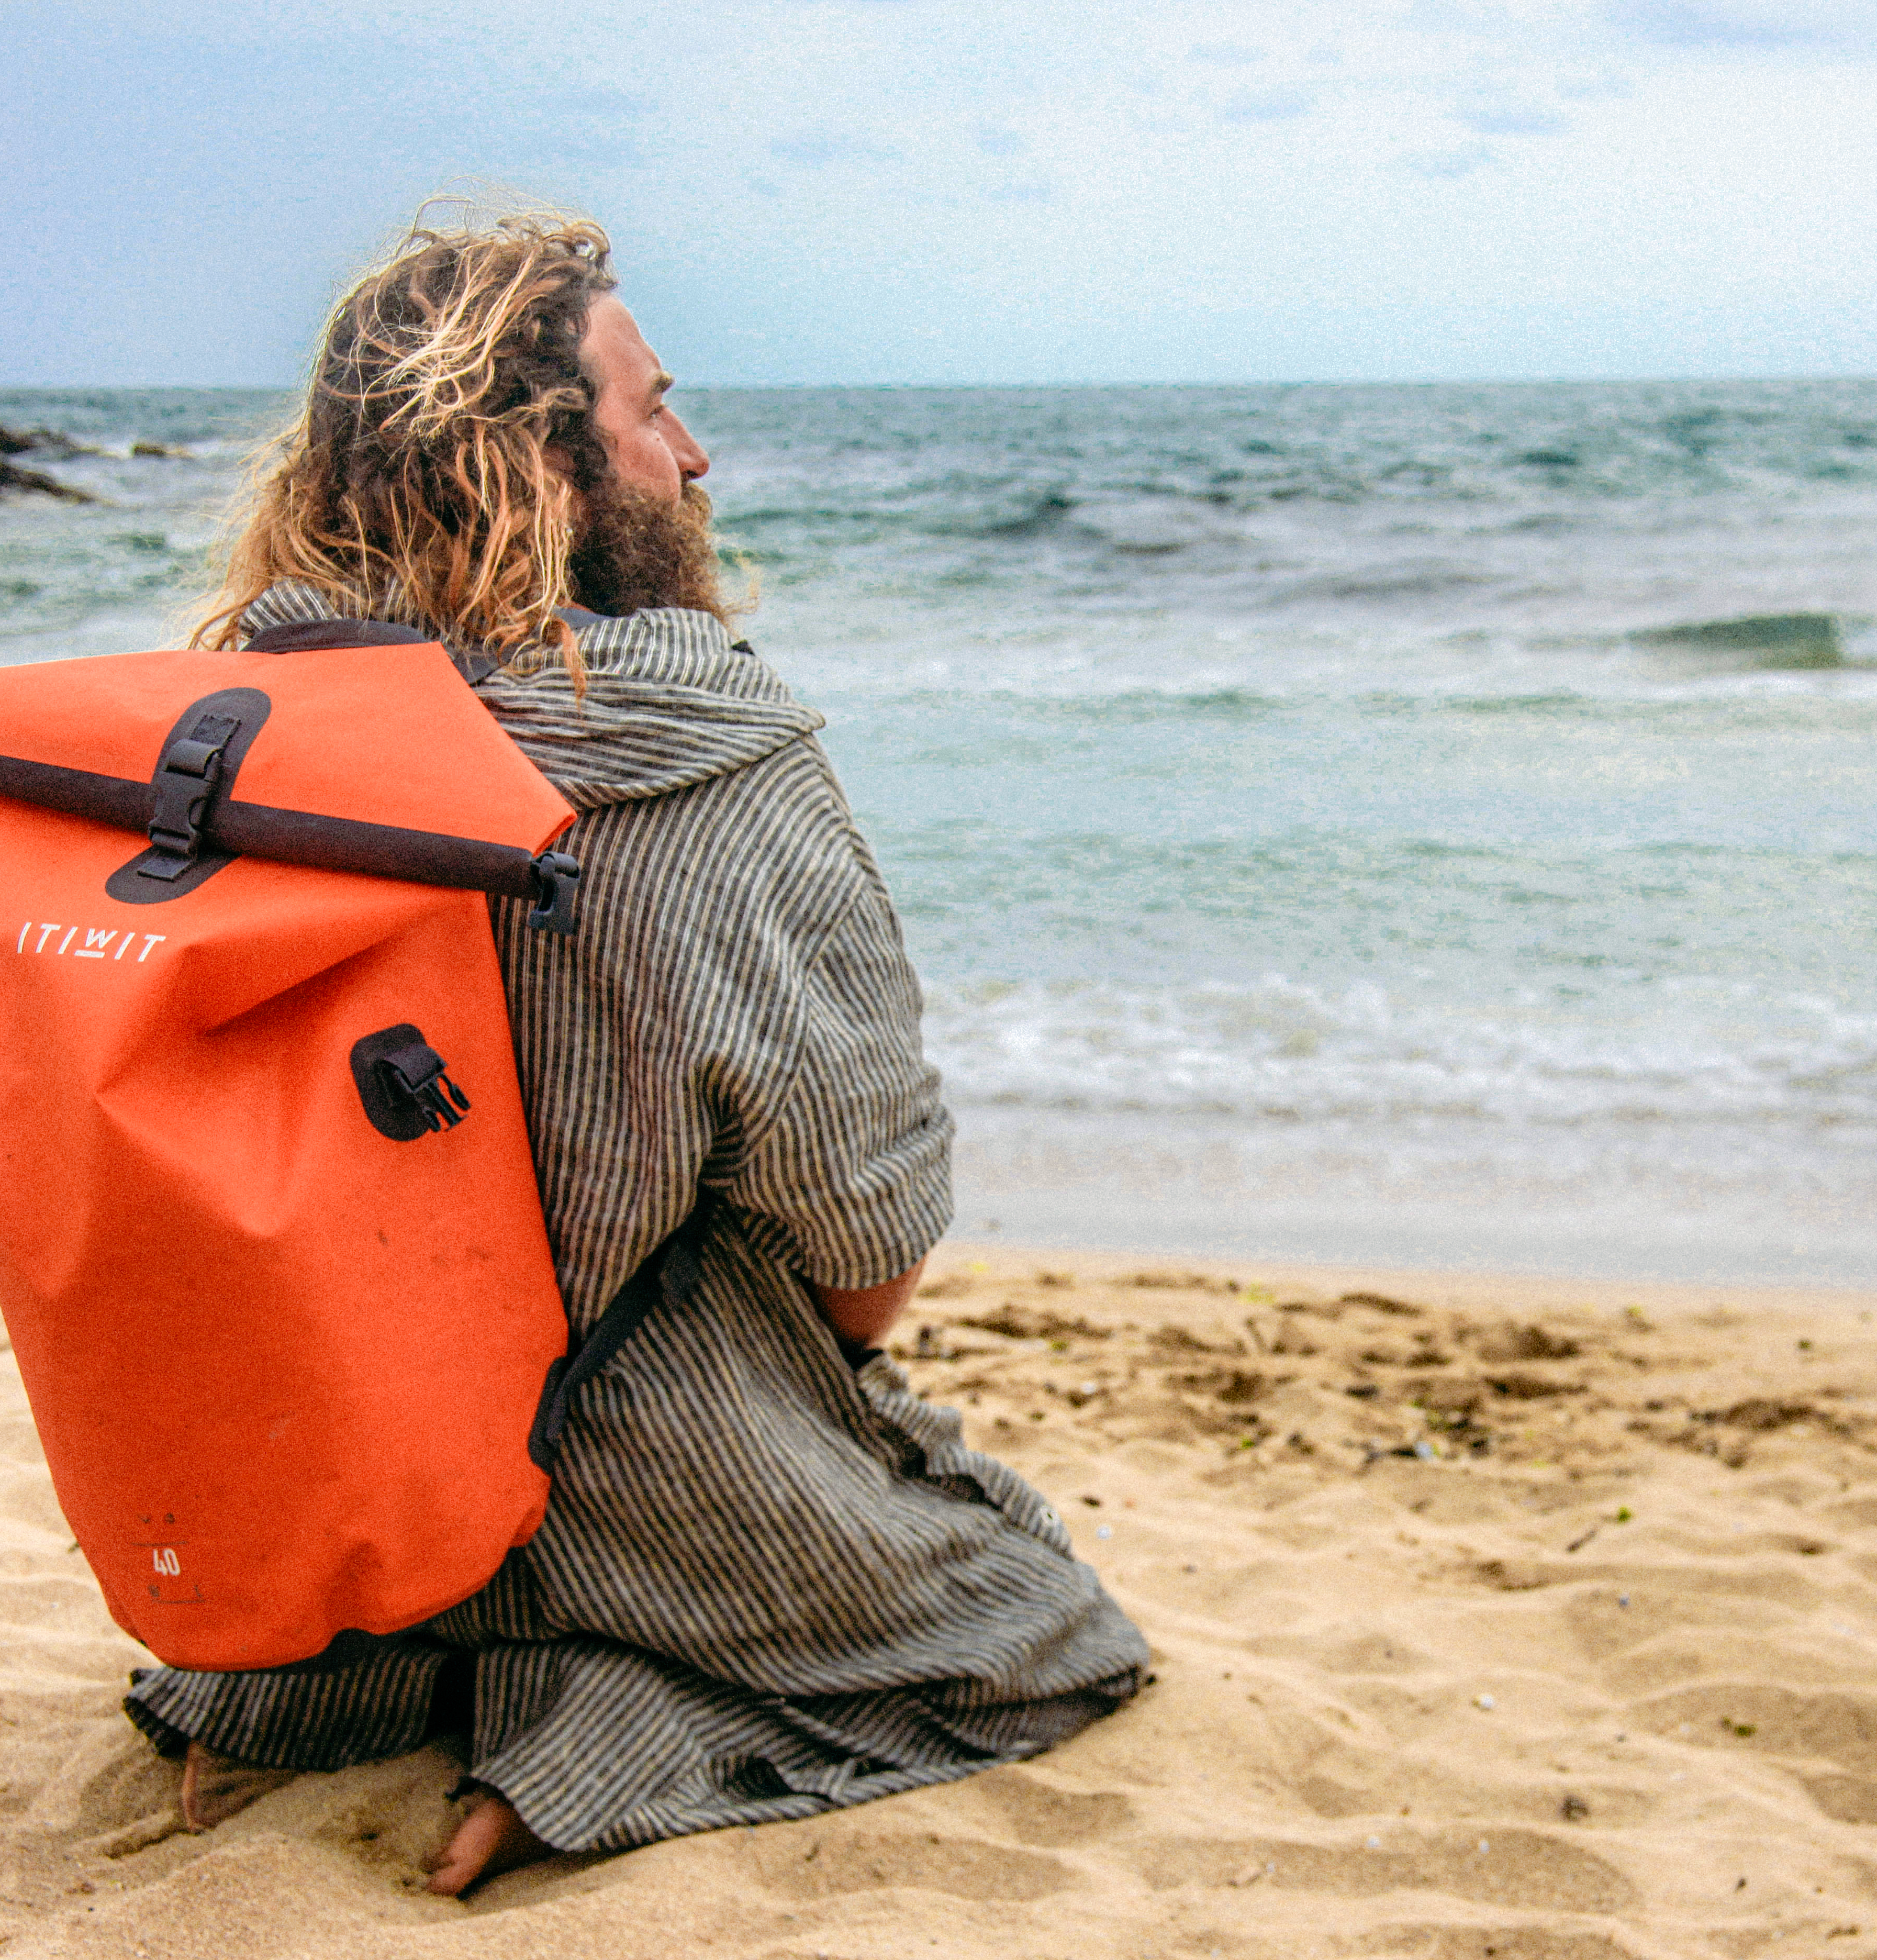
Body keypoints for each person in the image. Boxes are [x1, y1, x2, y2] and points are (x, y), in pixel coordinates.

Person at [123, 210, 1147, 1895]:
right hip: (641, 1468)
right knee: (1043, 1616)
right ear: (542, 466)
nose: (691, 452)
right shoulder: (712, 770)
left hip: (332, 1486)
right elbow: (865, 1268)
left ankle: (357, 1684)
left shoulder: (236, 752)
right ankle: (620, 1705)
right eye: (651, 412)